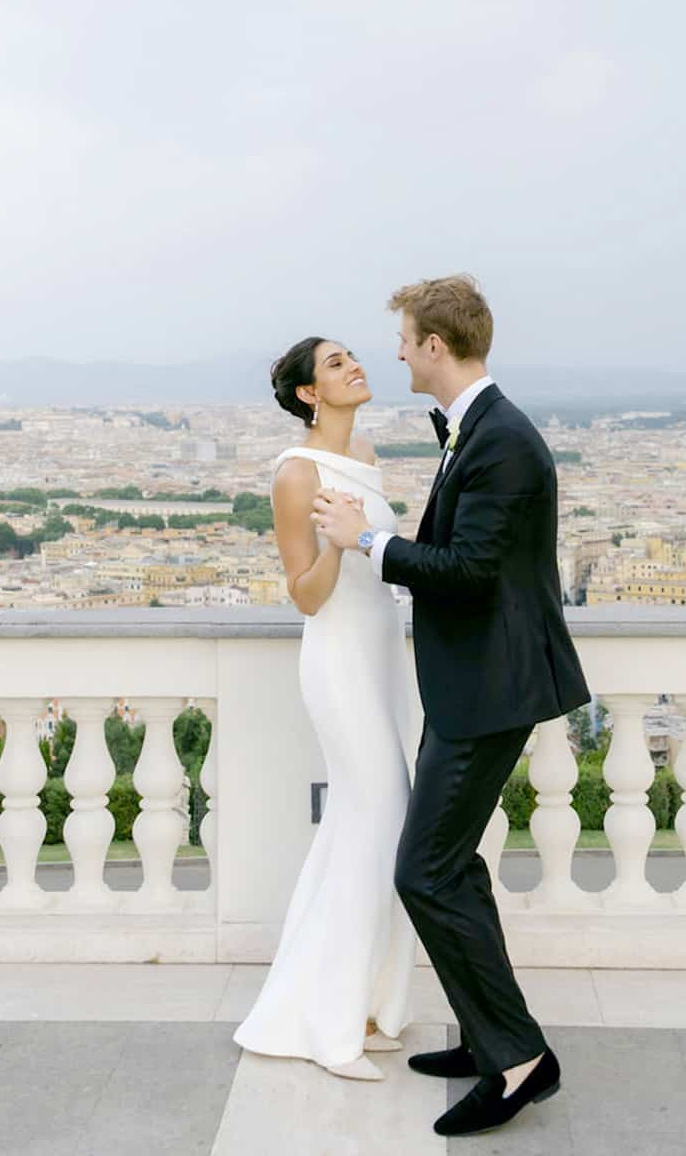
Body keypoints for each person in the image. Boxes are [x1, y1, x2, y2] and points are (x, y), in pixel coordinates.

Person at [312, 274, 588, 1138]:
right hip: (475, 682)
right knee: (454, 864)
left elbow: (468, 572)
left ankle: (519, 1061)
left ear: (436, 345)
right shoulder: (484, 429)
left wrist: (366, 539)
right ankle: (486, 1035)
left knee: (422, 869)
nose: (393, 351)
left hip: (488, 689)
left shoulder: (500, 440)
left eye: (402, 338)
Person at [231, 336, 418, 1082]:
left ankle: (362, 1006)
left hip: (380, 653)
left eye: (352, 358)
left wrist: (361, 531)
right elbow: (304, 593)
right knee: (376, 821)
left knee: (369, 827)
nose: (355, 367)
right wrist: (341, 542)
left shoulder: (365, 452)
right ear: (310, 394)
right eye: (336, 364)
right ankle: (328, 1024)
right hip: (339, 659)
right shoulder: (296, 472)